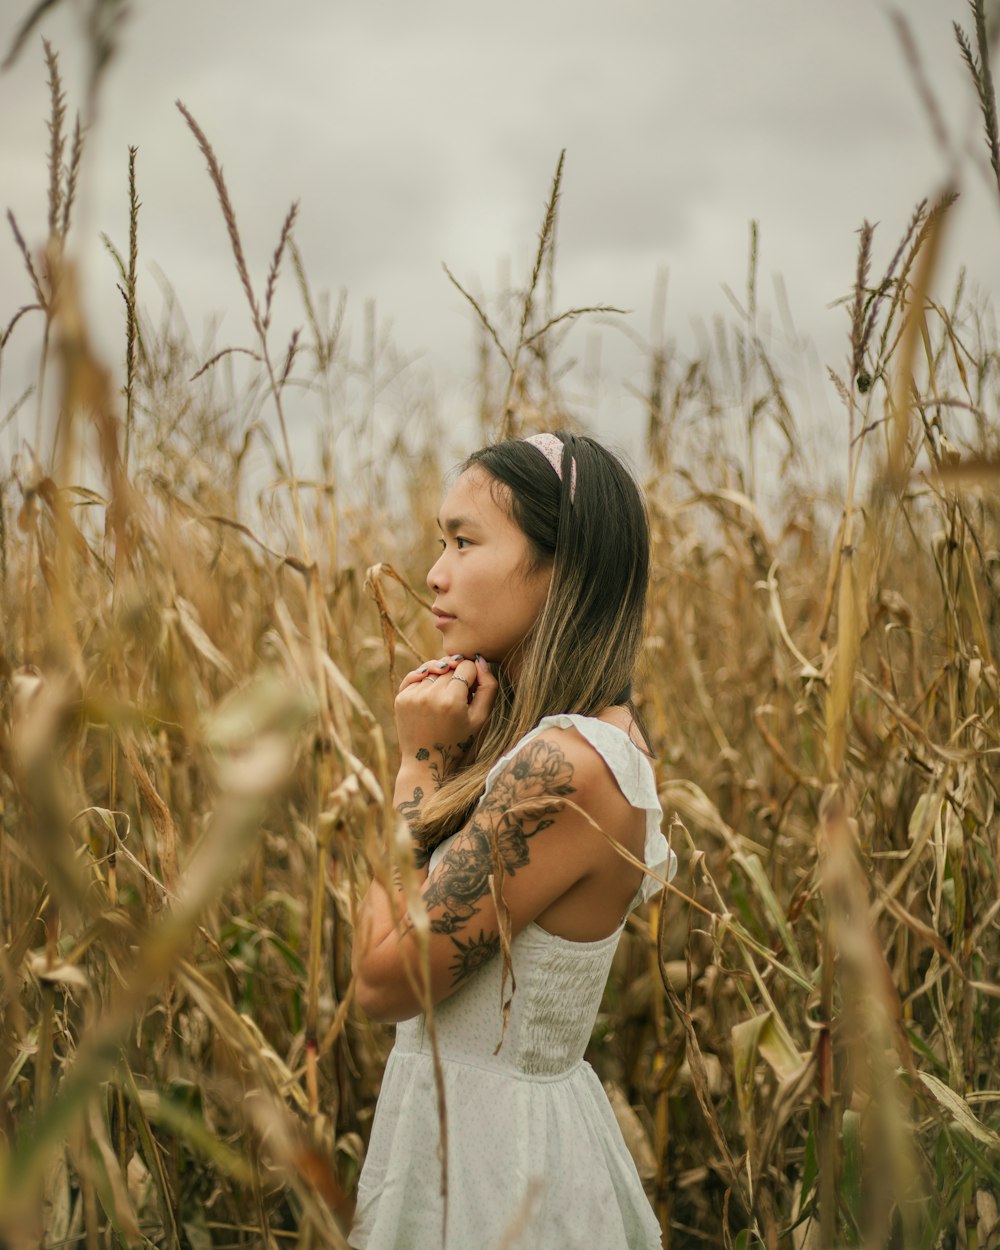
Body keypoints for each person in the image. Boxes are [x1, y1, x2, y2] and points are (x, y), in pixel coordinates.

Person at [349, 431, 677, 1250]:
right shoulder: (559, 745)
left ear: (563, 568)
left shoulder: (567, 768)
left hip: (500, 1178)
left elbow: (384, 982)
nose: (434, 572)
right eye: (439, 541)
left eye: (465, 541)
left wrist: (419, 765)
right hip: (482, 1136)